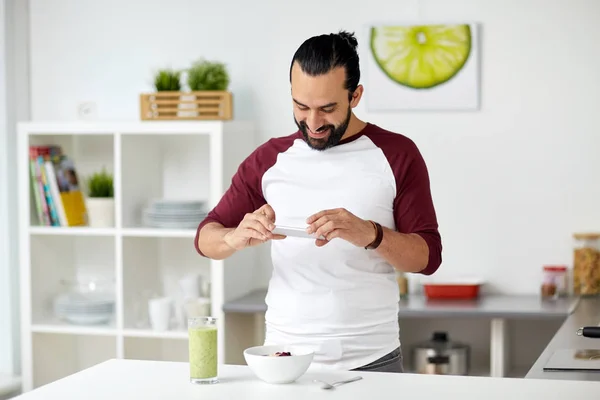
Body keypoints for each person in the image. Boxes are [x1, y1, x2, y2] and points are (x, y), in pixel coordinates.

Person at [194, 30, 442, 373]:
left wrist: (371, 234)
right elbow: (206, 239)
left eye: (327, 109)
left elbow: (427, 257)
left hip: (373, 360)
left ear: (355, 96)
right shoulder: (270, 158)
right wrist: (233, 238)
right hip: (283, 360)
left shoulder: (397, 154)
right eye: (301, 106)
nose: (312, 123)